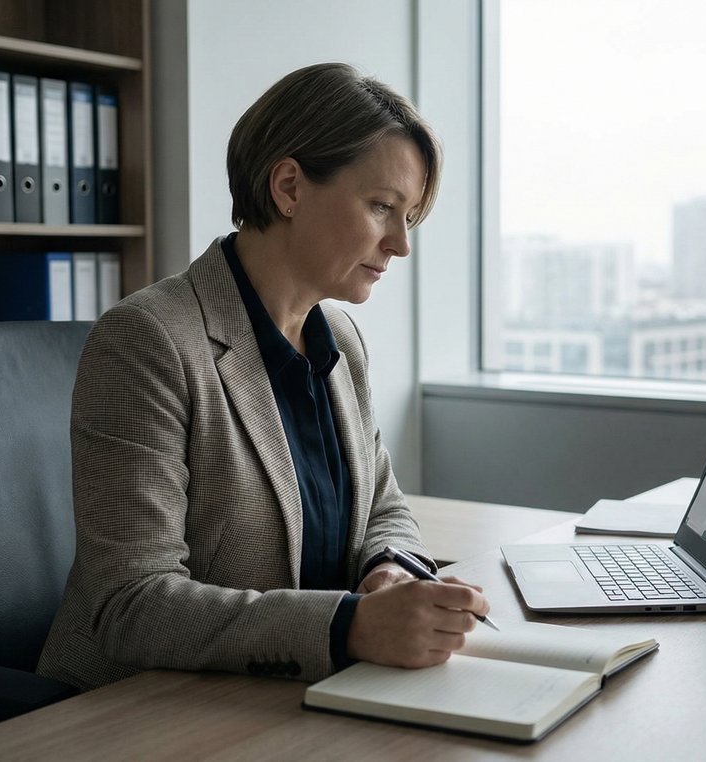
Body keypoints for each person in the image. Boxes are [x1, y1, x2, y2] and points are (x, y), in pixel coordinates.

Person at [37, 63, 490, 690]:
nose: (399, 246)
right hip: (143, 710)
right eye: (383, 207)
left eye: (408, 217)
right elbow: (130, 606)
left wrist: (390, 569)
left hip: (300, 693)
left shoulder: (342, 342)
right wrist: (350, 627)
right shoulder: (150, 340)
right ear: (289, 187)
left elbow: (384, 503)